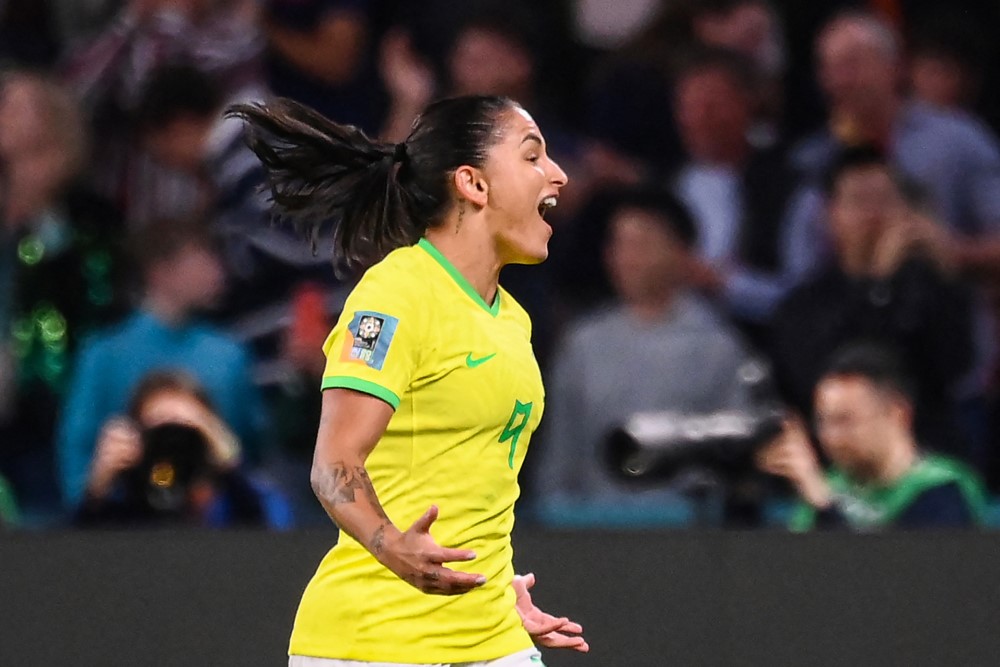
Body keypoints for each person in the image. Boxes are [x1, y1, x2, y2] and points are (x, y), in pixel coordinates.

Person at [231, 94, 588, 664]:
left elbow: (469, 481)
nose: (558, 174)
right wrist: (389, 545)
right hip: (373, 644)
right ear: (474, 183)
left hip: (492, 640)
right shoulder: (396, 294)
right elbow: (333, 464)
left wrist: (495, 592)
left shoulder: (512, 319)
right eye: (532, 156)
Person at [534, 188, 756, 526]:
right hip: (593, 531)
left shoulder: (719, 346)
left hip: (688, 534)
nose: (627, 258)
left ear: (681, 252)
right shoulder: (582, 344)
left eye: (642, 244)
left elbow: (735, 455)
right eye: (619, 244)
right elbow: (561, 449)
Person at [56, 217, 267, 508]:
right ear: (160, 272)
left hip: (217, 515)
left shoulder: (230, 354)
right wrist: (90, 495)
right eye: (202, 259)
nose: (218, 271)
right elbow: (77, 448)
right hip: (125, 516)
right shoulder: (104, 354)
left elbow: (253, 448)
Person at [756, 343, 987, 530]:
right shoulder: (832, 484)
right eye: (823, 422)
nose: (831, 438)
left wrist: (825, 507)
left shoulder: (941, 490)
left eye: (845, 421)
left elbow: (894, 581)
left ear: (898, 414)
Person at [75, 370, 278, 528]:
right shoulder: (124, 506)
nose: (172, 443)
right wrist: (97, 491)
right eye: (160, 430)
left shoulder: (234, 503)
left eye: (184, 430)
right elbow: (76, 560)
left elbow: (270, 539)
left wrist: (231, 465)